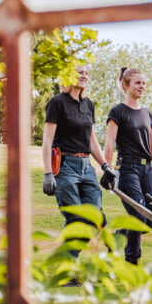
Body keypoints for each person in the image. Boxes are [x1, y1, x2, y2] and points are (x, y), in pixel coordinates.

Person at [41, 64, 116, 262]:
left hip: (86, 167)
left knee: (94, 218)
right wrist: (48, 173)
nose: (84, 76)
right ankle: (69, 267)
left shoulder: (88, 104)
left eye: (87, 73)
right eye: (80, 72)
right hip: (65, 166)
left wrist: (105, 166)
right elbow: (47, 140)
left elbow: (91, 140)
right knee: (76, 219)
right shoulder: (57, 103)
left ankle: (66, 262)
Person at [102, 67, 152, 265]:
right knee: (138, 215)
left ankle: (117, 238)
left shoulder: (147, 114)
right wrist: (107, 169)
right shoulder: (117, 112)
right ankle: (132, 262)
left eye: (144, 83)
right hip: (127, 170)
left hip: (146, 170)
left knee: (150, 220)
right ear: (126, 85)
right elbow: (109, 143)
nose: (142, 86)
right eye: (137, 83)